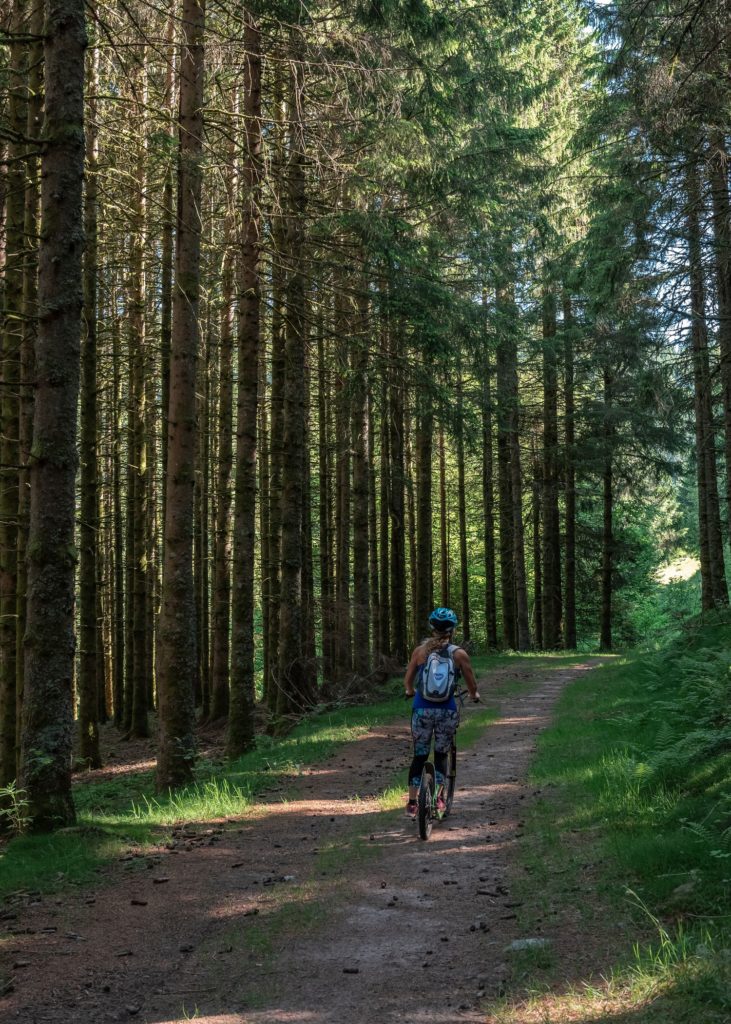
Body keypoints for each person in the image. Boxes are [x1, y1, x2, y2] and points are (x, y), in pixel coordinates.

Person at [403, 607, 480, 819]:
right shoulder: (459, 654)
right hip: (446, 710)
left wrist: (410, 691)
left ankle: (411, 803)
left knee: (419, 756)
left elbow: (408, 681)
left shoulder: (420, 652)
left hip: (421, 709)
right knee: (440, 754)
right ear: (452, 630)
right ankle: (438, 798)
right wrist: (474, 695)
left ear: (432, 628)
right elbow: (471, 682)